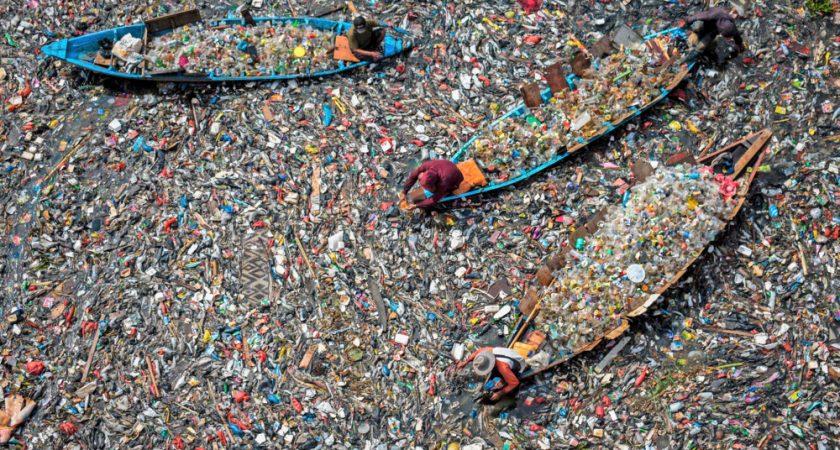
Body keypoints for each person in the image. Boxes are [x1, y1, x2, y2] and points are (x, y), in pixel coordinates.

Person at [457, 347, 528, 401]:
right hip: (509, 354)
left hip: (519, 364)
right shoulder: (486, 352)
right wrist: (465, 362)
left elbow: (514, 383)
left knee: (506, 386)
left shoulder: (503, 368)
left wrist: (500, 393)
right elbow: (477, 352)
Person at [680, 7, 745, 58]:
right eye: (725, 36)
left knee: (703, 45)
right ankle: (694, 36)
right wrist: (687, 21)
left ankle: (702, 50)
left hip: (714, 29)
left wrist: (740, 45)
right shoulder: (712, 15)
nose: (727, 39)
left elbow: (736, 35)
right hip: (707, 23)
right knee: (698, 29)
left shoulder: (731, 25)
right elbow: (697, 16)